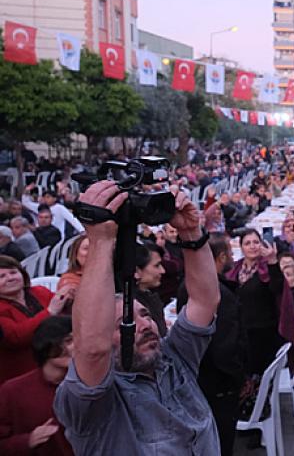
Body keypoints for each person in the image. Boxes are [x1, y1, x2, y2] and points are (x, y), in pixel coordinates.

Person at [53, 180, 222, 454]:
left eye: (145, 315)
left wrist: (191, 231)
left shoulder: (174, 359)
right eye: (124, 325)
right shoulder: (93, 405)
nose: (143, 325)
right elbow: (93, 350)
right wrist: (101, 240)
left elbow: (205, 301)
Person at [176, 232, 246, 456]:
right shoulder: (219, 294)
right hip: (217, 385)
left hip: (200, 380)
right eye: (231, 253)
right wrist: (237, 380)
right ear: (222, 257)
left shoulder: (188, 287)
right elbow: (225, 348)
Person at [0, 316, 75, 455]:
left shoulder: (89, 387)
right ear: (47, 344)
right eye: (69, 340)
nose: (74, 347)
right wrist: (27, 441)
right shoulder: (12, 391)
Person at [0, 256, 74, 384]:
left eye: (13, 272)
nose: (10, 278)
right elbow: (15, 337)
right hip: (19, 374)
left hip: (58, 367)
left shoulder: (39, 291)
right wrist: (49, 312)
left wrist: (70, 300)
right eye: (2, 276)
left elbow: (63, 319)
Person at [226, 230, 288, 379]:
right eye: (247, 243)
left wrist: (273, 260)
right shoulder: (234, 269)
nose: (252, 246)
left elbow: (277, 288)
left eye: (256, 242)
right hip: (240, 329)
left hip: (263, 330)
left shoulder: (267, 268)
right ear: (241, 247)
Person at [134, 242, 168, 337]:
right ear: (136, 271)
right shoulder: (132, 308)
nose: (162, 271)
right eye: (157, 265)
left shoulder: (150, 297)